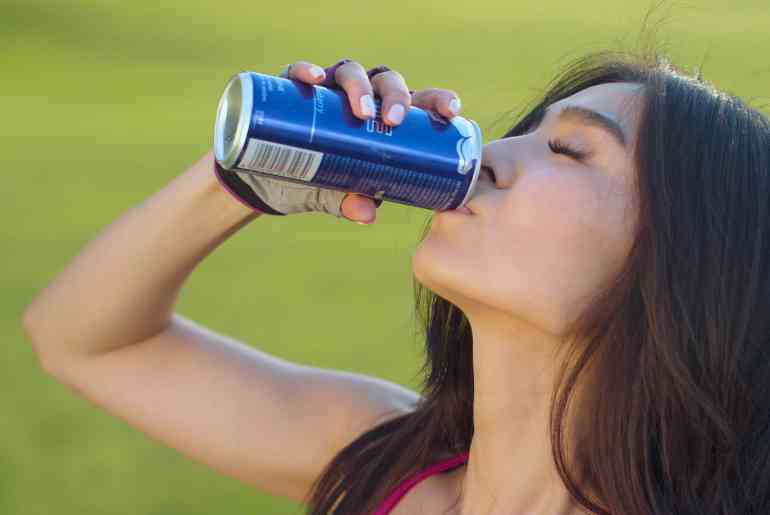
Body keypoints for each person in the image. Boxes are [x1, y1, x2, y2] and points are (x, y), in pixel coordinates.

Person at [21, 46, 770, 515]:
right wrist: (246, 180)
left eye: (570, 151)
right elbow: (80, 340)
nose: (491, 157)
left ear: (685, 263)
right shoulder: (386, 464)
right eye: (524, 131)